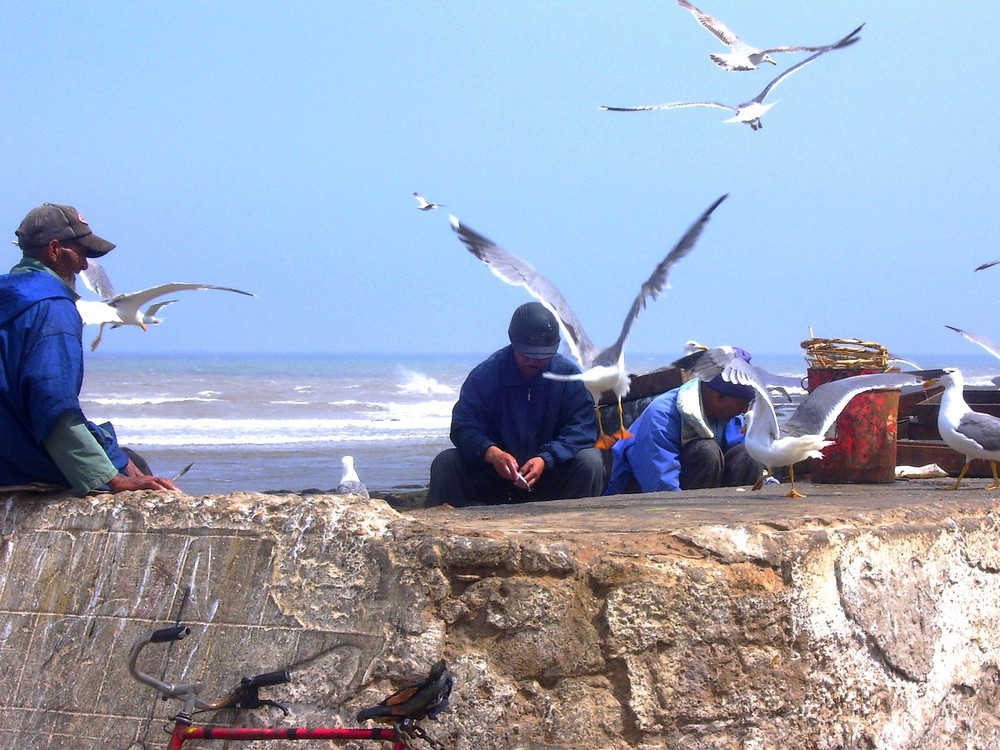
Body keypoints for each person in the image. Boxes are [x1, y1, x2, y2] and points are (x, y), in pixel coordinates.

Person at [0, 203, 180, 495]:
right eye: (81, 253)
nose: (85, 265)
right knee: (134, 465)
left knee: (115, 451)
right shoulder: (53, 309)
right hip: (21, 463)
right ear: (55, 250)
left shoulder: (9, 296)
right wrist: (115, 478)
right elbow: (52, 405)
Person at [426, 302, 606, 507]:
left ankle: (577, 527)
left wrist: (546, 459)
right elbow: (463, 426)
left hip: (550, 477)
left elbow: (582, 429)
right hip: (495, 479)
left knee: (591, 462)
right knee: (446, 462)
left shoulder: (569, 377)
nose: (533, 361)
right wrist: (491, 452)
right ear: (513, 342)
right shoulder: (486, 375)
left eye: (541, 356)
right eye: (526, 354)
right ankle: (445, 531)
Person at [605, 347, 763, 494]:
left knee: (748, 455)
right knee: (706, 452)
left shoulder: (730, 417)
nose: (744, 410)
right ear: (719, 397)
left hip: (695, 491)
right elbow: (660, 483)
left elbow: (739, 449)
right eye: (742, 403)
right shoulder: (661, 418)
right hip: (644, 494)